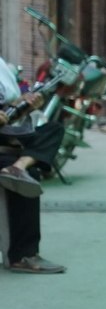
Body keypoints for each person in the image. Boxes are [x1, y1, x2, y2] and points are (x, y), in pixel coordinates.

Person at [0, 57, 66, 274]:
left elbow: (9, 106)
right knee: (30, 174)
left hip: (7, 134)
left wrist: (23, 104)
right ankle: (22, 255)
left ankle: (19, 165)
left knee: (53, 129)